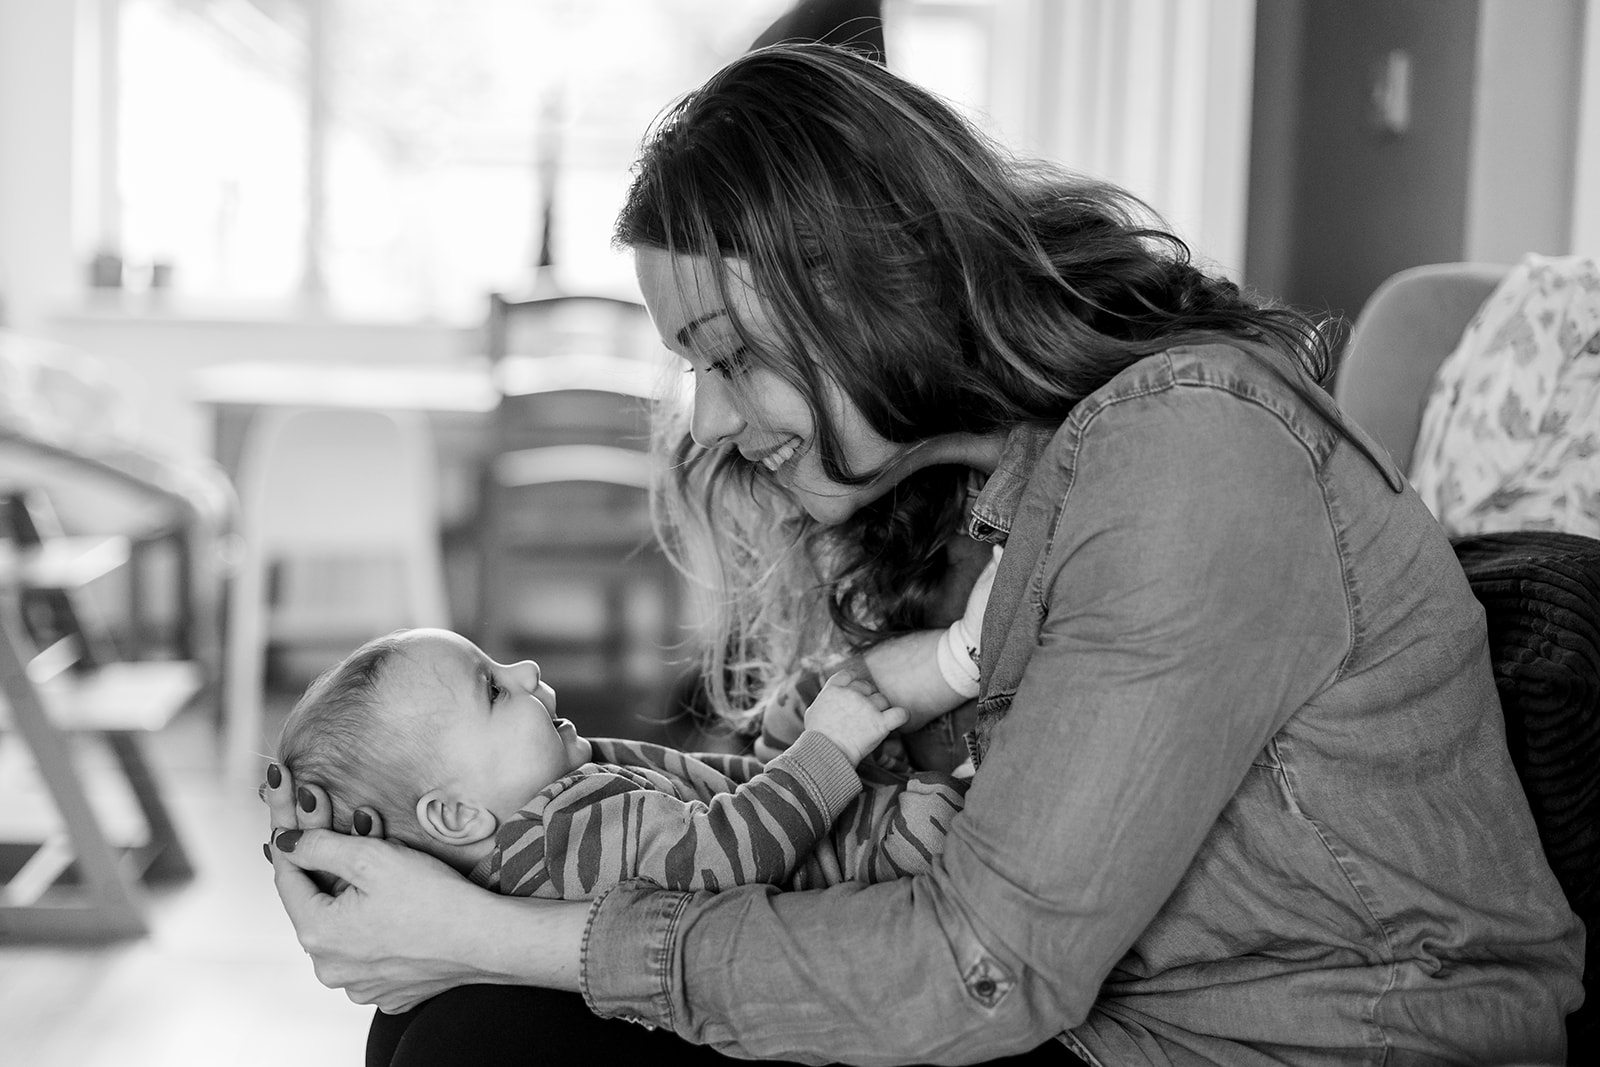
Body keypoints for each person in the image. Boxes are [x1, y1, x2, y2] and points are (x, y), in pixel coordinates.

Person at [264, 43, 1585, 1066]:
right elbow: (767, 827)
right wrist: (419, 846)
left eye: (730, 357)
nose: (711, 423)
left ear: (872, 296)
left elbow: (982, 963)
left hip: (1293, 1039)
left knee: (483, 1026)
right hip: (1098, 1020)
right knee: (460, 1024)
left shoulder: (1193, 459)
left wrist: (492, 932)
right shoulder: (960, 476)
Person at [274, 626, 972, 898]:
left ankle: (964, 654)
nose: (526, 667)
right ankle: (974, 682)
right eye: (492, 686)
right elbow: (727, 851)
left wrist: (799, 745)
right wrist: (826, 752)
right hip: (835, 855)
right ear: (456, 814)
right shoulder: (556, 845)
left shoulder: (553, 791)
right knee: (931, 816)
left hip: (768, 805)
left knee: (806, 696)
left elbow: (697, 791)